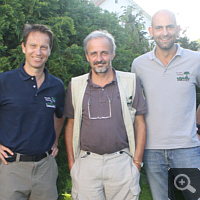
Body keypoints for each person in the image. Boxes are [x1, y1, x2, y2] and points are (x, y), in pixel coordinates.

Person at [64, 30, 146, 200]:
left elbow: (140, 123)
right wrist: (73, 164)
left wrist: (137, 163)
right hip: (86, 164)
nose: (99, 58)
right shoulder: (76, 85)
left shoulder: (130, 81)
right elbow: (70, 125)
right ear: (87, 56)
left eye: (104, 53)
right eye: (93, 53)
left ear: (113, 54)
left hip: (122, 163)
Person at [131, 9, 200, 200]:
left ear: (177, 29)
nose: (165, 32)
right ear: (151, 31)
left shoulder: (196, 60)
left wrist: (199, 127)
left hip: (187, 148)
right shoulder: (139, 64)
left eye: (169, 27)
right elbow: (134, 106)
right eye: (159, 28)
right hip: (151, 149)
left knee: (195, 196)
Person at [0, 24, 65, 200]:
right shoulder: (4, 81)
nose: (38, 52)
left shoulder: (57, 86)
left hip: (45, 168)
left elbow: (60, 116)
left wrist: (55, 140)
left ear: (50, 50)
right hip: (10, 168)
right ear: (23, 47)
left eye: (44, 47)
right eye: (33, 46)